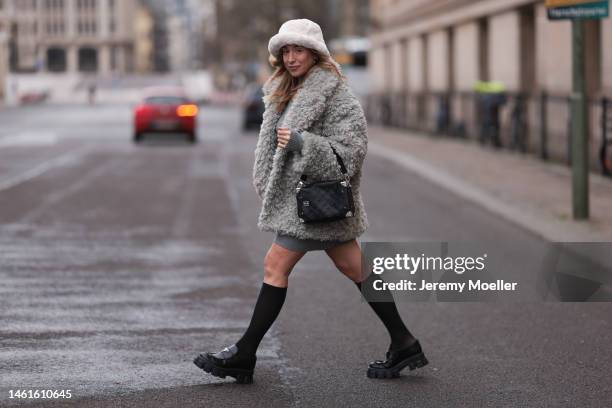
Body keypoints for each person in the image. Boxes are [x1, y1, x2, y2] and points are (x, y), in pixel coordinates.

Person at [194, 18, 428, 384]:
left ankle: (244, 353)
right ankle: (404, 342)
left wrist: (305, 144)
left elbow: (353, 150)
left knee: (276, 266)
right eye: (285, 50)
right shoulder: (284, 90)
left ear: (315, 53)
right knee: (356, 269)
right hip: (306, 202)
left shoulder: (337, 94)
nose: (290, 57)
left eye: (298, 49)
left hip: (316, 203)